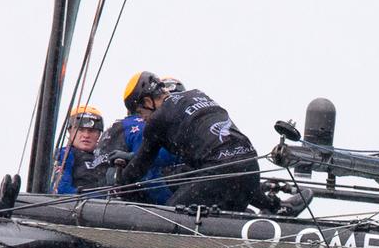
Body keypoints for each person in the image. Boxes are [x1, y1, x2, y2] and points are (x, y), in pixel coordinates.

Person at [114, 72, 266, 212]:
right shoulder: (197, 94)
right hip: (251, 168)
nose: (142, 119)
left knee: (168, 219)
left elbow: (141, 165)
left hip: (219, 172)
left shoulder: (158, 118)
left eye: (140, 113)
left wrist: (119, 185)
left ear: (148, 101)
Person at [50, 105, 109, 195]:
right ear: (70, 131)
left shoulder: (106, 156)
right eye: (80, 129)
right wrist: (98, 197)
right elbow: (60, 190)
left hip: (111, 206)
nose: (86, 135)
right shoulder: (65, 154)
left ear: (99, 134)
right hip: (75, 206)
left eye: (91, 131)